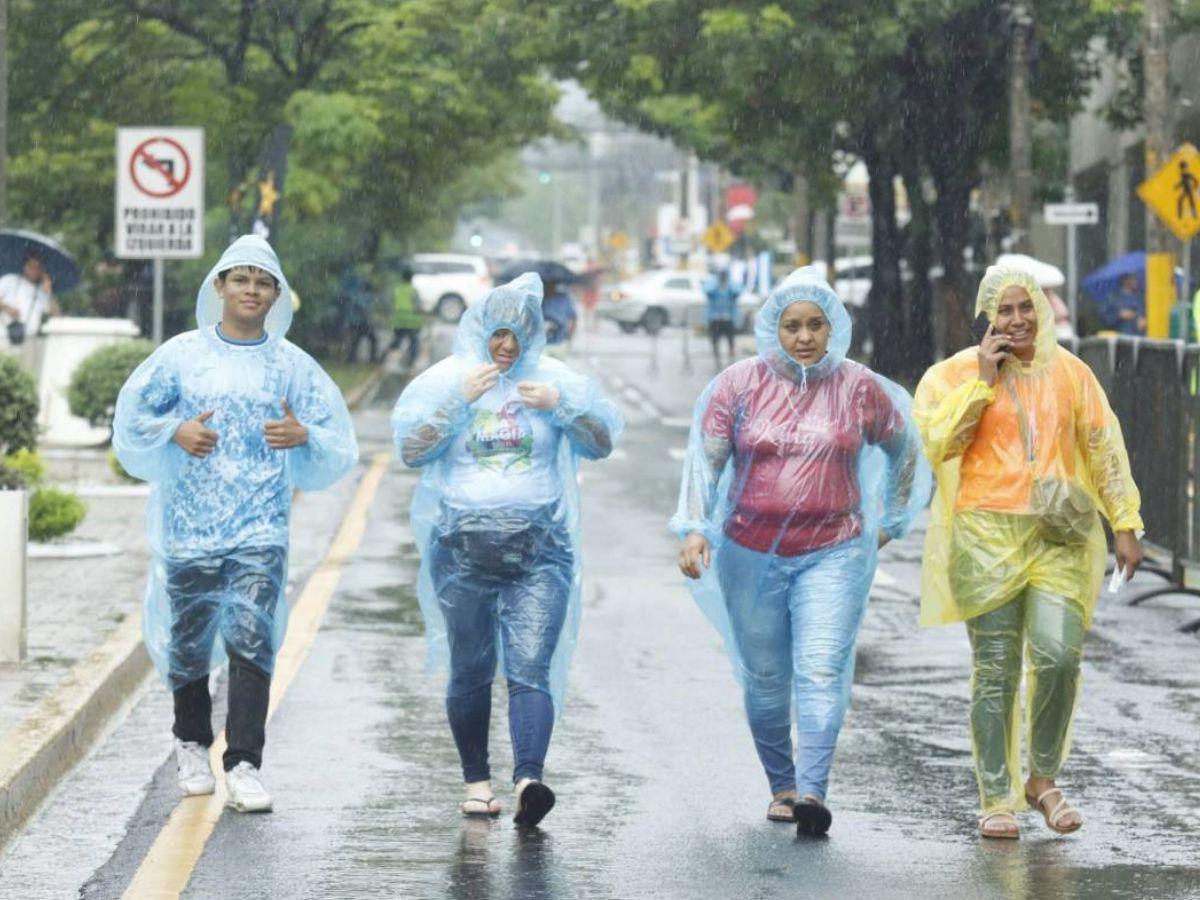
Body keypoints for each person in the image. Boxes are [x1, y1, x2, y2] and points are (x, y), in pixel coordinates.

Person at [671, 266, 930, 837]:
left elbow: (906, 449)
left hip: (834, 552)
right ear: (774, 328)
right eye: (792, 326)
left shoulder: (860, 387)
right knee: (765, 677)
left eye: (816, 324)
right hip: (750, 550)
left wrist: (890, 521)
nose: (805, 337)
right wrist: (694, 529)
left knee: (819, 668)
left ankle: (813, 789)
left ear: (834, 327)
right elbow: (705, 462)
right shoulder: (736, 387)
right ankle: (782, 785)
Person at [113, 235, 358, 813]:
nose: (251, 290)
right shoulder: (180, 356)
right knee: (190, 643)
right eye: (240, 279)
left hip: (260, 528)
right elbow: (133, 416)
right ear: (219, 287)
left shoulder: (291, 365)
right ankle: (191, 743)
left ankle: (244, 762)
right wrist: (175, 430)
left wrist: (304, 437)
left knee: (253, 641)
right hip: (189, 525)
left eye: (262, 281)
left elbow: (335, 437)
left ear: (276, 295)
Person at [914, 265, 1144, 840]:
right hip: (984, 535)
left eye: (1025, 308)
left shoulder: (1071, 372)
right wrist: (982, 382)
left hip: (1059, 536)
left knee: (1059, 656)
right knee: (995, 671)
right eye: (1005, 311)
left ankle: (1042, 778)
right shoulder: (951, 376)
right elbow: (936, 442)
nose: (1017, 320)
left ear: (1040, 310)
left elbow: (1102, 446)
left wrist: (1125, 522)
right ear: (987, 318)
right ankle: (997, 796)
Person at [391, 273, 622, 827]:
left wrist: (562, 406)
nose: (507, 345)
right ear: (479, 330)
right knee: (470, 669)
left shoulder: (556, 380)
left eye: (519, 334)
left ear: (534, 336)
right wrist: (456, 402)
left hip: (540, 552)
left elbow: (602, 441)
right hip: (461, 551)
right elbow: (411, 450)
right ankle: (477, 782)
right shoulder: (447, 378)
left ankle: (529, 779)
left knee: (530, 668)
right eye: (498, 333)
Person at [0, 250, 61, 364]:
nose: (34, 270)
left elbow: (56, 315)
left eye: (38, 267)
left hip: (29, 341)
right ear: (24, 266)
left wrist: (49, 292)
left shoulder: (42, 292)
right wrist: (7, 308)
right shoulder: (10, 280)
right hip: (3, 337)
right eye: (31, 266)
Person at [389, 264, 424, 370]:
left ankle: (384, 356)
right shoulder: (413, 290)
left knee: (397, 340)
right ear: (411, 278)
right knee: (414, 342)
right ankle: (410, 362)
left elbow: (391, 302)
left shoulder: (397, 289)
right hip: (411, 321)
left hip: (398, 320)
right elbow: (418, 306)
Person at [704, 268, 740, 367]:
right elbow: (708, 292)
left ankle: (731, 360)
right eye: (721, 275)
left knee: (731, 340)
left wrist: (728, 286)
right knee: (715, 340)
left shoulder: (731, 285)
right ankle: (717, 360)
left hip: (728, 318)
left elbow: (736, 293)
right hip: (715, 318)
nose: (723, 277)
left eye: (724, 275)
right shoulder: (713, 284)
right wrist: (717, 284)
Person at [541, 278, 577, 358]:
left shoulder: (564, 298)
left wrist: (569, 339)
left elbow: (573, 319)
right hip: (542, 345)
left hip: (559, 342)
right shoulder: (540, 298)